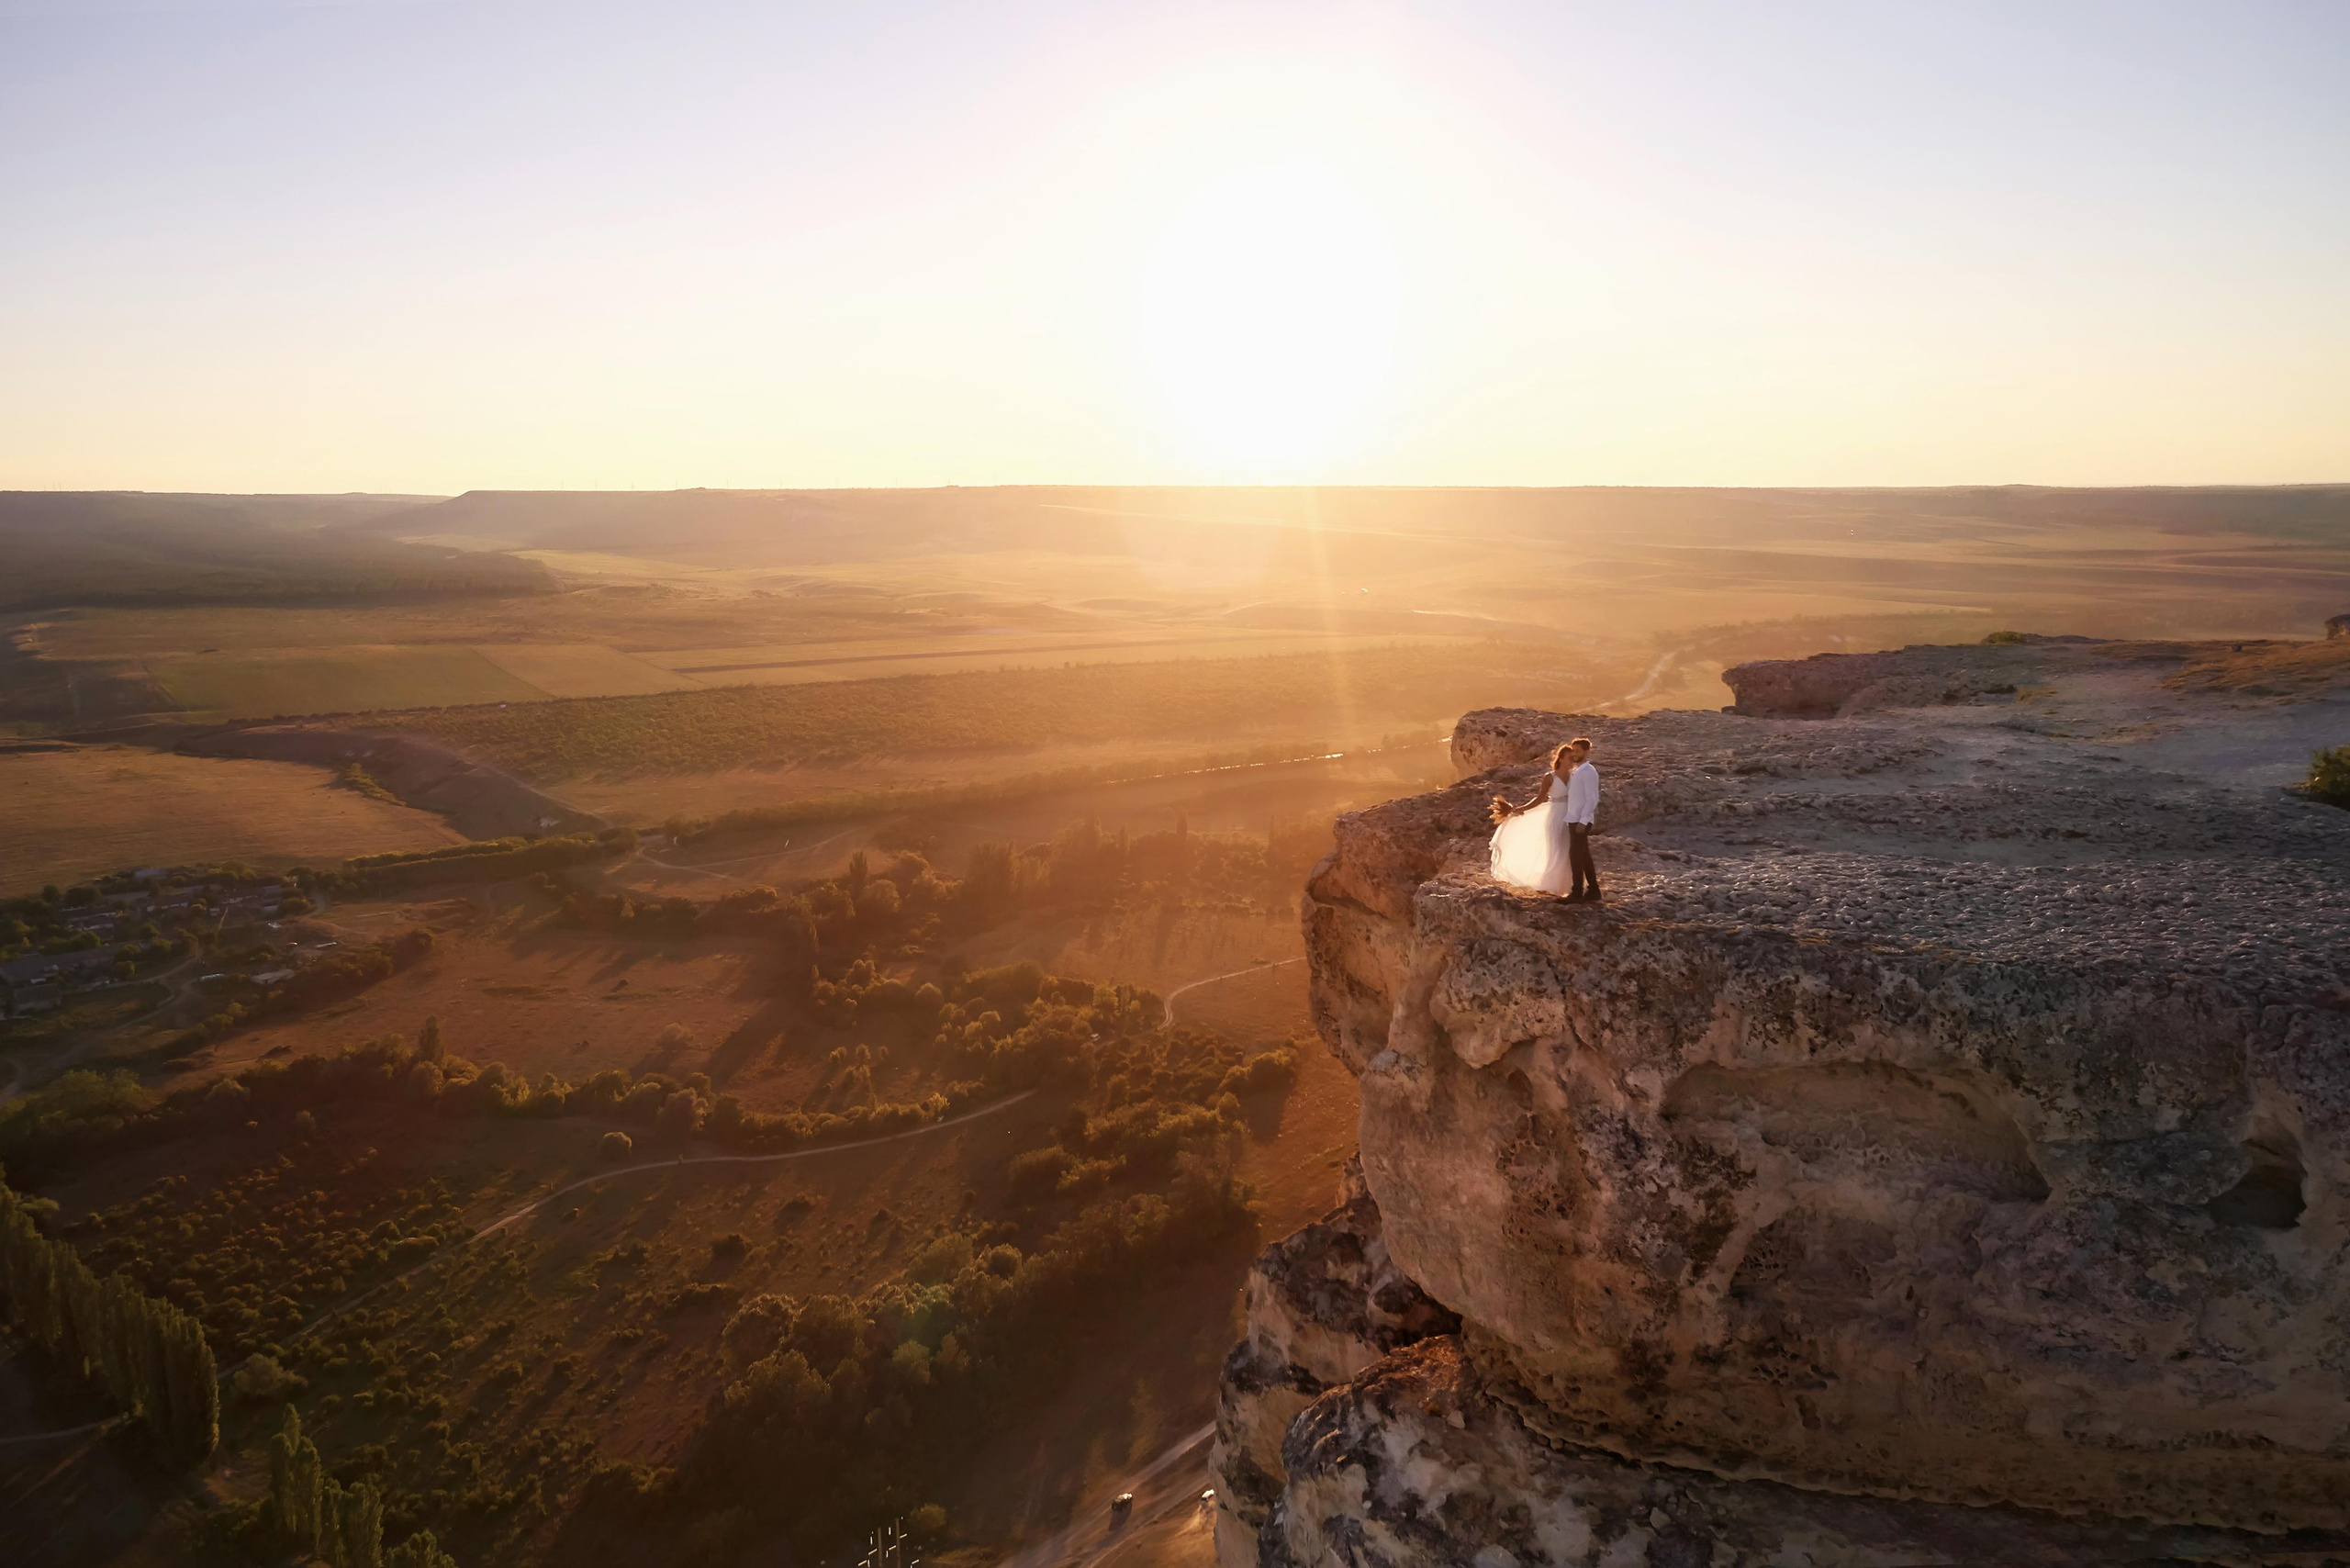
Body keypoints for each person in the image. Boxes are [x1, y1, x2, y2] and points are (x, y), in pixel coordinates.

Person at [1487, 741, 1579, 894]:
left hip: (1571, 815)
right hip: (1555, 815)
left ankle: (1568, 886)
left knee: (1569, 849)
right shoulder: (1550, 778)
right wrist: (1521, 809)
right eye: (1569, 758)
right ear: (1561, 758)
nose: (1572, 761)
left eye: (1573, 759)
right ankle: (1551, 884)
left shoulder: (1574, 776)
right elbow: (1539, 799)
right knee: (1556, 849)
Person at [1561, 737, 1601, 902]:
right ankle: (1593, 891)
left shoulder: (1589, 771)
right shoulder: (1577, 771)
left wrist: (1583, 821)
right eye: (1573, 751)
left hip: (1580, 820)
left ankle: (1577, 892)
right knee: (1583, 856)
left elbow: (1592, 798)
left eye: (1578, 751)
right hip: (1574, 818)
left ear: (1586, 751)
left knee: (1576, 856)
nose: (1574, 754)